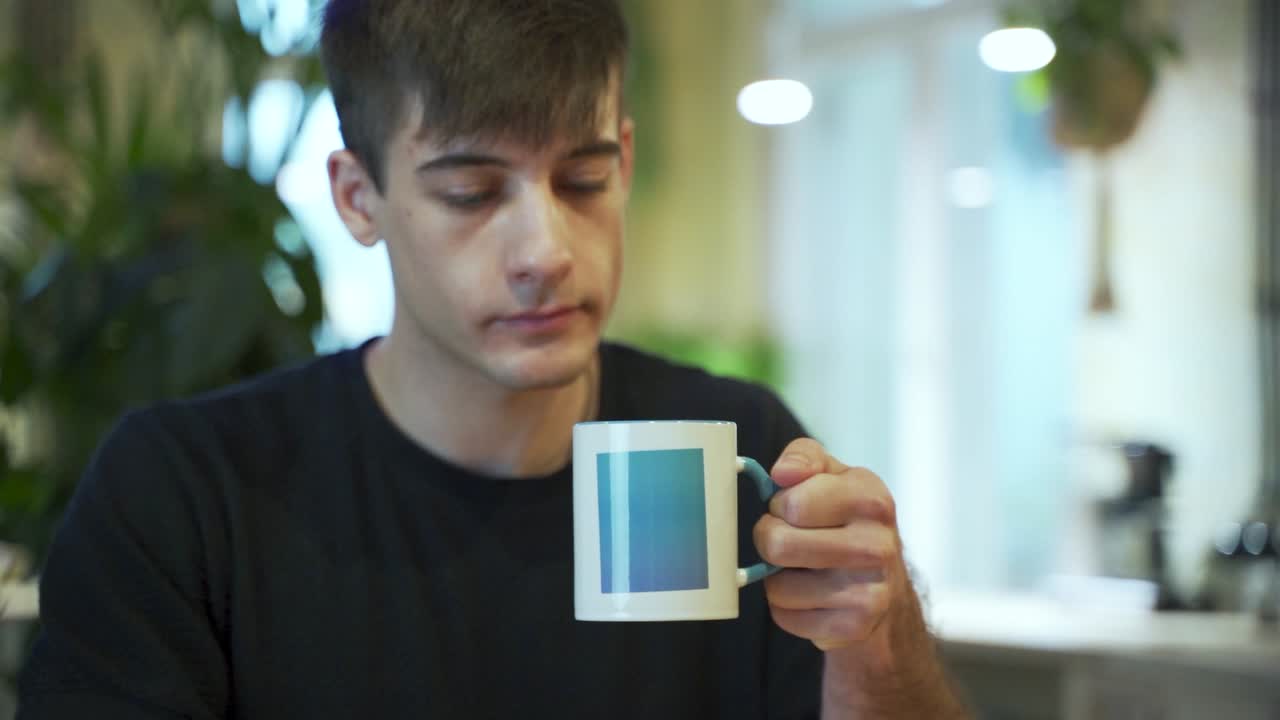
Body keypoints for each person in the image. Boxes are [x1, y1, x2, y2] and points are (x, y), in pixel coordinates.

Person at [17, 0, 970, 717]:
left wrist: (878, 647)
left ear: (625, 164)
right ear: (358, 198)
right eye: (472, 192)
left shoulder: (738, 452)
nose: (545, 250)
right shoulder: (187, 498)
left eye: (583, 179)